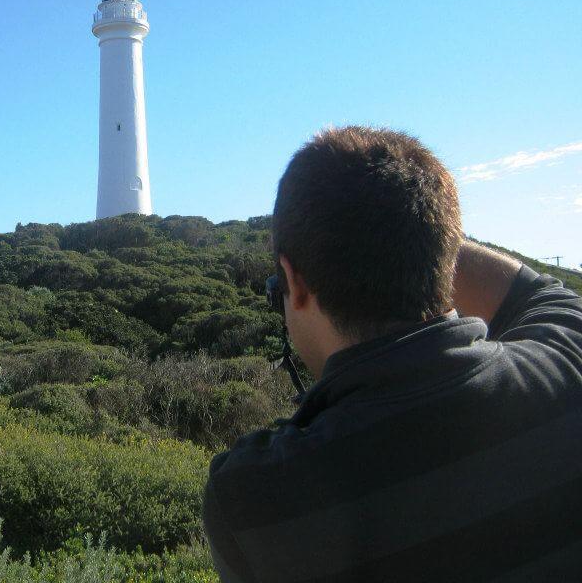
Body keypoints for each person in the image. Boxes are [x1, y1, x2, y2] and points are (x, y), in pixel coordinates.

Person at [202, 126, 582, 581]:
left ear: (293, 282)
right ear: (441, 255)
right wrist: (415, 234)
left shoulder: (250, 499)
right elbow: (535, 290)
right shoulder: (568, 362)